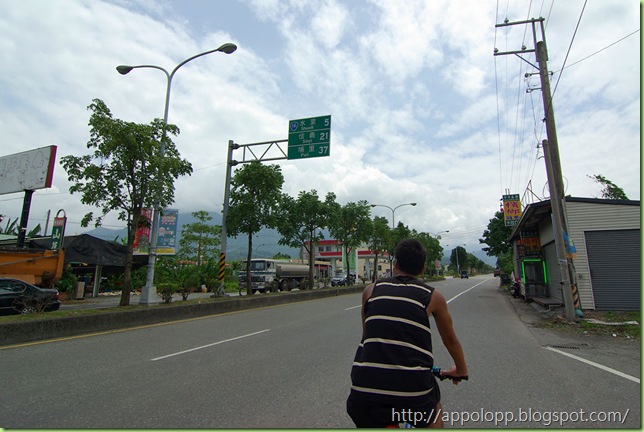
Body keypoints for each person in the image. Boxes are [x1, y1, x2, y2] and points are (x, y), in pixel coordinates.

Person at [346, 239, 468, 428]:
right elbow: (450, 340)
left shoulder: (370, 291)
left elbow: (367, 336)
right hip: (414, 392)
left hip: (363, 391)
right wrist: (461, 370)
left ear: (395, 264)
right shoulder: (433, 296)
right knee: (434, 419)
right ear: (423, 268)